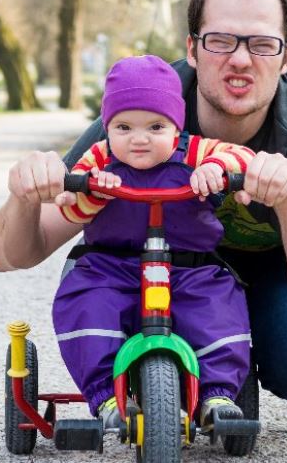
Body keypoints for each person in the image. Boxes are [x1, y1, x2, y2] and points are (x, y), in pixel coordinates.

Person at [0, 0, 287, 439]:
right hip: (172, 258)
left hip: (281, 259)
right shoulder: (144, 114)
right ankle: (183, 363)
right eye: (221, 40)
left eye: (262, 44)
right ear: (192, 49)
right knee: (100, 285)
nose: (239, 58)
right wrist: (23, 195)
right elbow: (11, 254)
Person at [47, 54, 255, 428]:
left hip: (190, 266)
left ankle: (217, 394)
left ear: (176, 127)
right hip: (111, 265)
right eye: (124, 127)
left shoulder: (194, 151)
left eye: (155, 127)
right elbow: (70, 210)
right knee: (86, 303)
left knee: (218, 308)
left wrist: (218, 168)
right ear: (107, 127)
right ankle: (108, 396)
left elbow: (243, 157)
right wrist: (93, 192)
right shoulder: (99, 157)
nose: (139, 140)